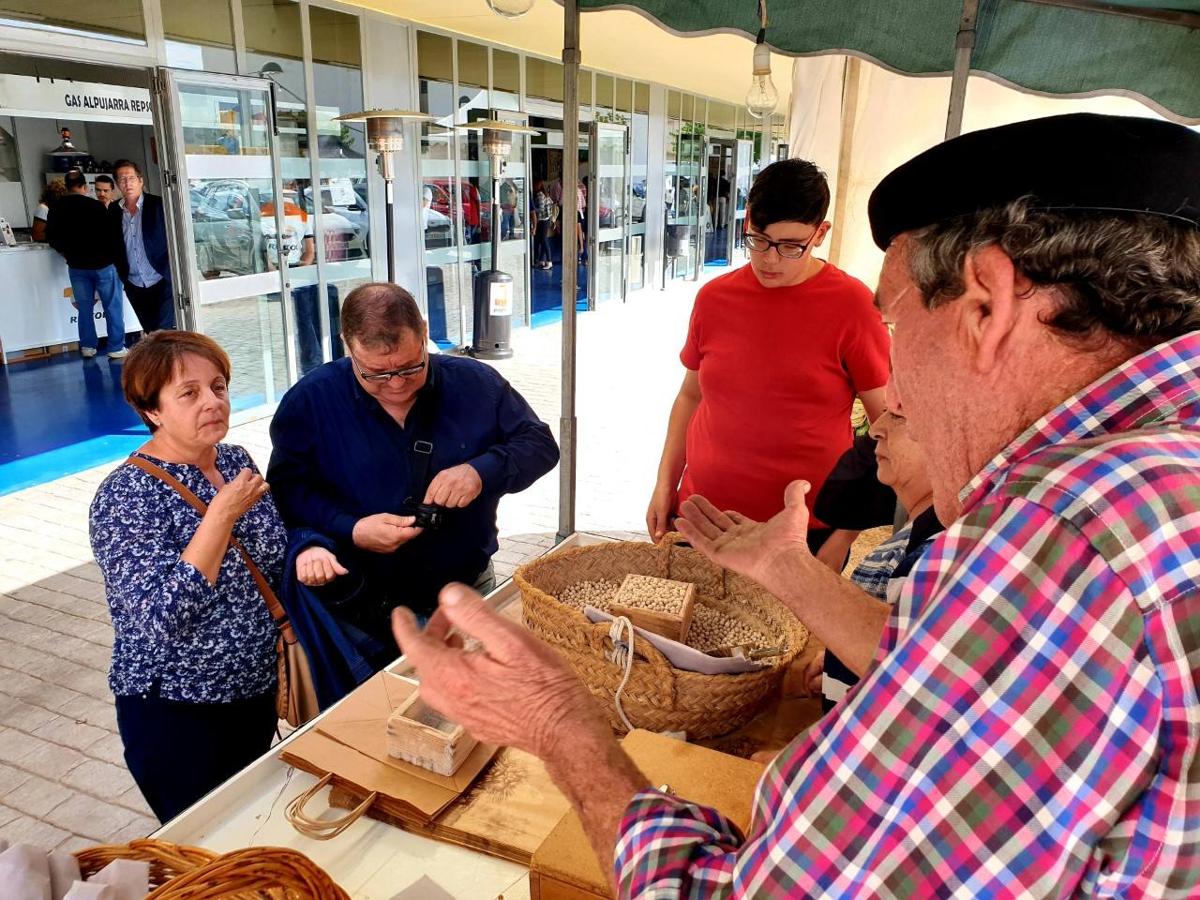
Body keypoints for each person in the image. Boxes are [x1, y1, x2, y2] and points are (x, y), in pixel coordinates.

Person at [391, 114, 1200, 896]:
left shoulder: (1061, 541)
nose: (899, 399)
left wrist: (558, 722)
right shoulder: (1152, 474)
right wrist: (779, 561)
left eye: (896, 318)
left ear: (987, 304)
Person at [88, 332, 316, 822]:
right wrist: (219, 517)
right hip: (179, 714)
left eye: (218, 387)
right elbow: (160, 618)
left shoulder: (235, 460)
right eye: (188, 393)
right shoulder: (126, 496)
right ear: (152, 411)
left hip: (255, 696)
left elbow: (273, 556)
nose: (212, 402)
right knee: (208, 853)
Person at [267, 282, 558, 664]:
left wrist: (480, 472)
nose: (397, 385)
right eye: (375, 373)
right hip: (361, 610)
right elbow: (286, 493)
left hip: (465, 590)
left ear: (423, 332)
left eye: (410, 366)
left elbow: (540, 445)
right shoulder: (310, 401)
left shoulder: (475, 382)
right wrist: (349, 529)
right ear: (347, 345)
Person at [646, 158, 890, 568]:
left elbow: (888, 427)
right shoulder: (714, 298)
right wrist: (664, 484)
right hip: (704, 516)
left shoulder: (853, 306)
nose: (770, 260)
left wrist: (843, 535)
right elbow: (690, 396)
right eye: (758, 239)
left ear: (820, 233)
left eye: (791, 246)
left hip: (804, 530)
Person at [806, 383, 942, 711]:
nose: (876, 429)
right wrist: (842, 656)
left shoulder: (933, 560)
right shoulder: (910, 536)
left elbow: (918, 697)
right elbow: (896, 643)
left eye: (899, 414)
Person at [46, 169, 127, 359]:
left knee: (84, 309)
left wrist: (66, 253)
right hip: (103, 265)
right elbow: (112, 236)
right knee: (112, 307)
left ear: (66, 187)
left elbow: (51, 237)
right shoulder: (96, 206)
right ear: (84, 186)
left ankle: (88, 346)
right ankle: (115, 347)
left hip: (76, 267)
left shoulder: (56, 208)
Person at [110, 158, 176, 333]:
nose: (127, 183)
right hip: (134, 283)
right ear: (117, 184)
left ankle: (169, 361)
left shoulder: (158, 205)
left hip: (161, 277)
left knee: (163, 331)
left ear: (140, 180)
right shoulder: (114, 211)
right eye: (122, 179)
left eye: (131, 178)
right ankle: (161, 361)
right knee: (150, 331)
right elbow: (114, 244)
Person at [533, 180, 555, 270]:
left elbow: (540, 209)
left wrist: (532, 208)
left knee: (543, 239)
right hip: (547, 219)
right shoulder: (546, 194)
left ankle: (549, 261)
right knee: (542, 239)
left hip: (542, 220)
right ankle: (541, 260)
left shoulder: (540, 195)